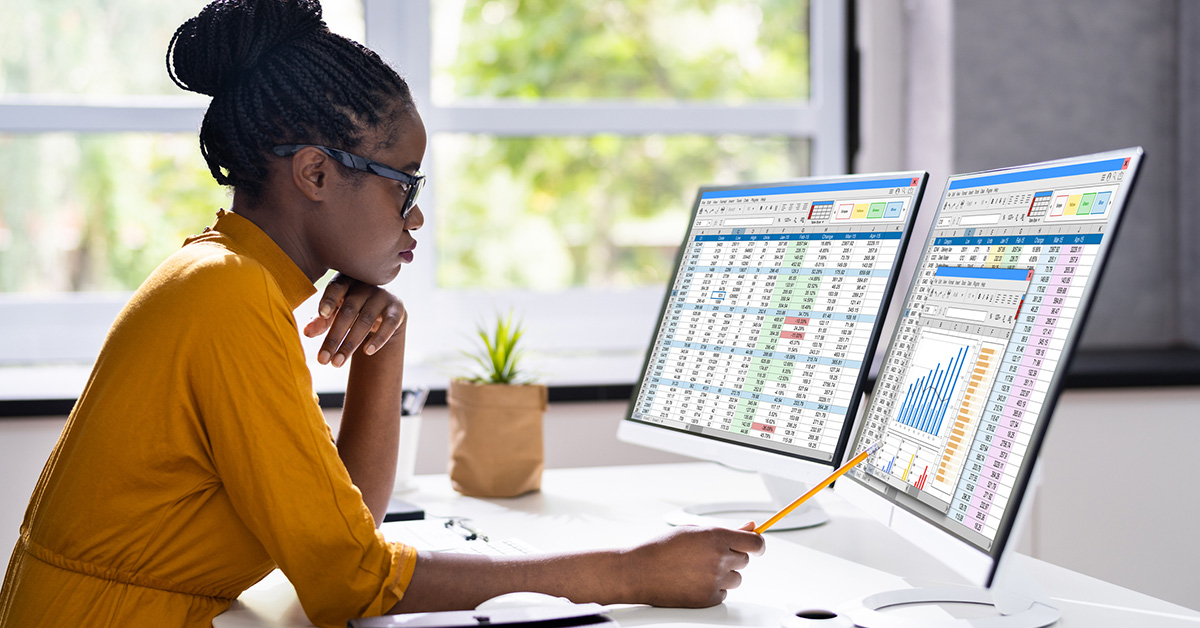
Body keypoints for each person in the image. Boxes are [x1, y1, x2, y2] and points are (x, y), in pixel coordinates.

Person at [0, 1, 765, 626]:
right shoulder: (225, 297)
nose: (416, 219)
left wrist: (381, 353)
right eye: (404, 184)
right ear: (316, 173)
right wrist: (626, 572)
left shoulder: (224, 278)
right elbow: (348, 581)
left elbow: (345, 533)